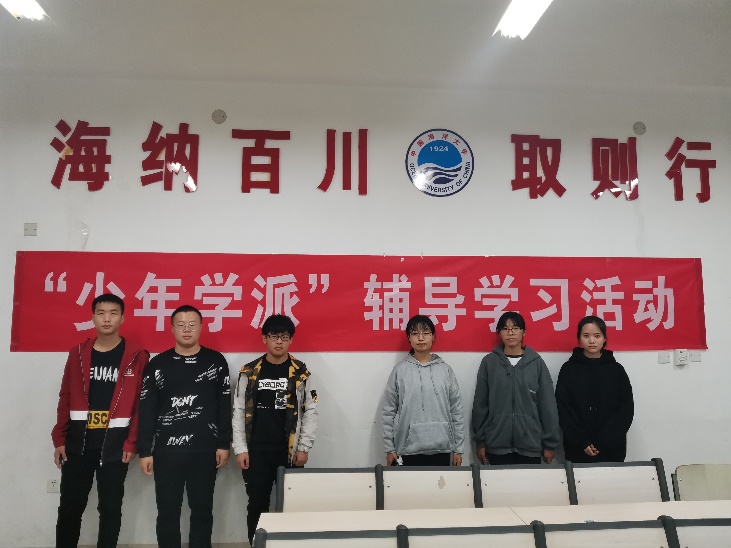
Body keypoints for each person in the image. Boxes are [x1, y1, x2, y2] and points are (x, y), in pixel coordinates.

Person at [52, 293, 149, 548]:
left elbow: (140, 404)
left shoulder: (137, 356)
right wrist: (59, 438)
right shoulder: (78, 353)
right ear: (93, 317)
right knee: (70, 507)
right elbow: (65, 396)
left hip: (115, 446)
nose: (107, 319)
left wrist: (132, 442)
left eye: (113, 313)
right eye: (101, 313)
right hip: (79, 444)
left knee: (110, 508)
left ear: (122, 318)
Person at [137, 305, 231, 548]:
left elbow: (224, 405)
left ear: (201, 327)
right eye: (181, 325)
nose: (186, 329)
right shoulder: (157, 365)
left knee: (202, 511)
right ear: (172, 329)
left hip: (205, 450)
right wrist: (144, 450)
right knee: (167, 511)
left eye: (192, 325)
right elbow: (147, 409)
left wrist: (224, 444)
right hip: (167, 452)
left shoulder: (216, 362)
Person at [232, 314, 318, 547]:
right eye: (274, 336)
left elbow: (310, 410)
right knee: (257, 505)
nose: (279, 341)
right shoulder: (249, 372)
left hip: (289, 452)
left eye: (284, 337)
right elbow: (239, 410)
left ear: (291, 340)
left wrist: (304, 447)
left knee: (291, 505)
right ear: (264, 339)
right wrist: (240, 449)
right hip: (256, 451)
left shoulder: (301, 372)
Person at [471, 311, 560, 465]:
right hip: (496, 444)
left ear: (524, 332)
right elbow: (480, 405)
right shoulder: (489, 362)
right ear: (499, 333)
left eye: (515, 328)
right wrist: (480, 442)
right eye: (505, 329)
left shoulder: (536, 363)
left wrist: (549, 444)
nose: (510, 333)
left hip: (530, 444)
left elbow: (547, 406)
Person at [383, 315, 464, 467]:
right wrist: (389, 448)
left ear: (433, 337)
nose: (421, 338)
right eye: (415, 333)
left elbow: (456, 411)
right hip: (407, 450)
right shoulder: (400, 370)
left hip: (442, 448)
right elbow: (388, 411)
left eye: (426, 333)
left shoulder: (445, 370)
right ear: (409, 338)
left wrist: (458, 449)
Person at [555, 315, 634, 463]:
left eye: (597, 336)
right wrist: (582, 441)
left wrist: (603, 442)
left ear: (604, 339)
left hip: (611, 449)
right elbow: (564, 409)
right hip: (577, 449)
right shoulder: (568, 369)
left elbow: (625, 410)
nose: (592, 341)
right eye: (586, 336)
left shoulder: (616, 370)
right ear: (579, 338)